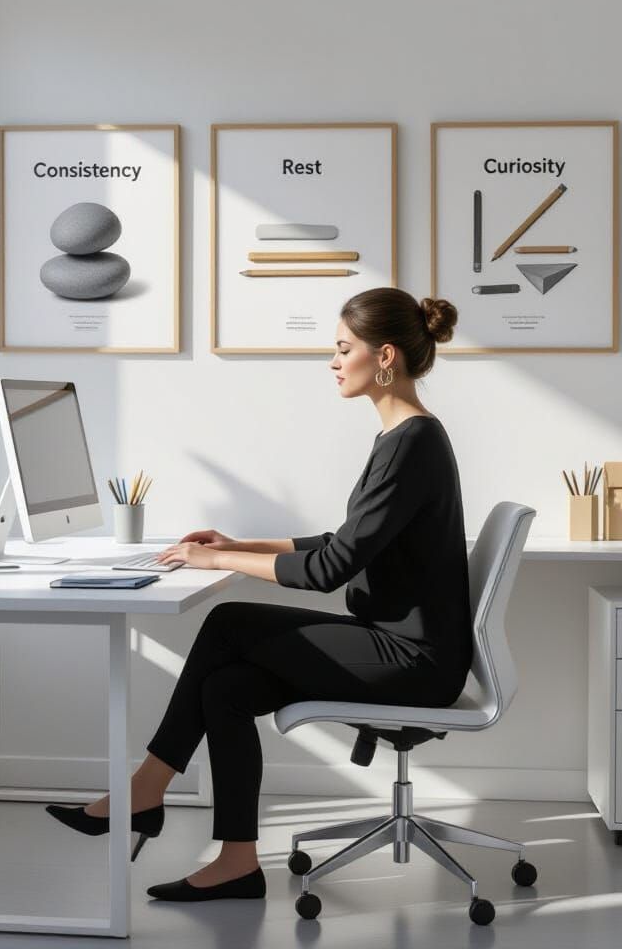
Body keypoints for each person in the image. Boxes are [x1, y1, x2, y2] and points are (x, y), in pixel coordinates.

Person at [45, 286, 471, 903]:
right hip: (401, 648)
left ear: (384, 357)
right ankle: (237, 861)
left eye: (342, 347)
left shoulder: (412, 444)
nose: (332, 360)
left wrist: (218, 559)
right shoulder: (403, 440)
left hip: (414, 662)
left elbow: (330, 568)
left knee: (226, 623)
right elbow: (342, 541)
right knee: (226, 688)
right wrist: (241, 542)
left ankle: (145, 789)